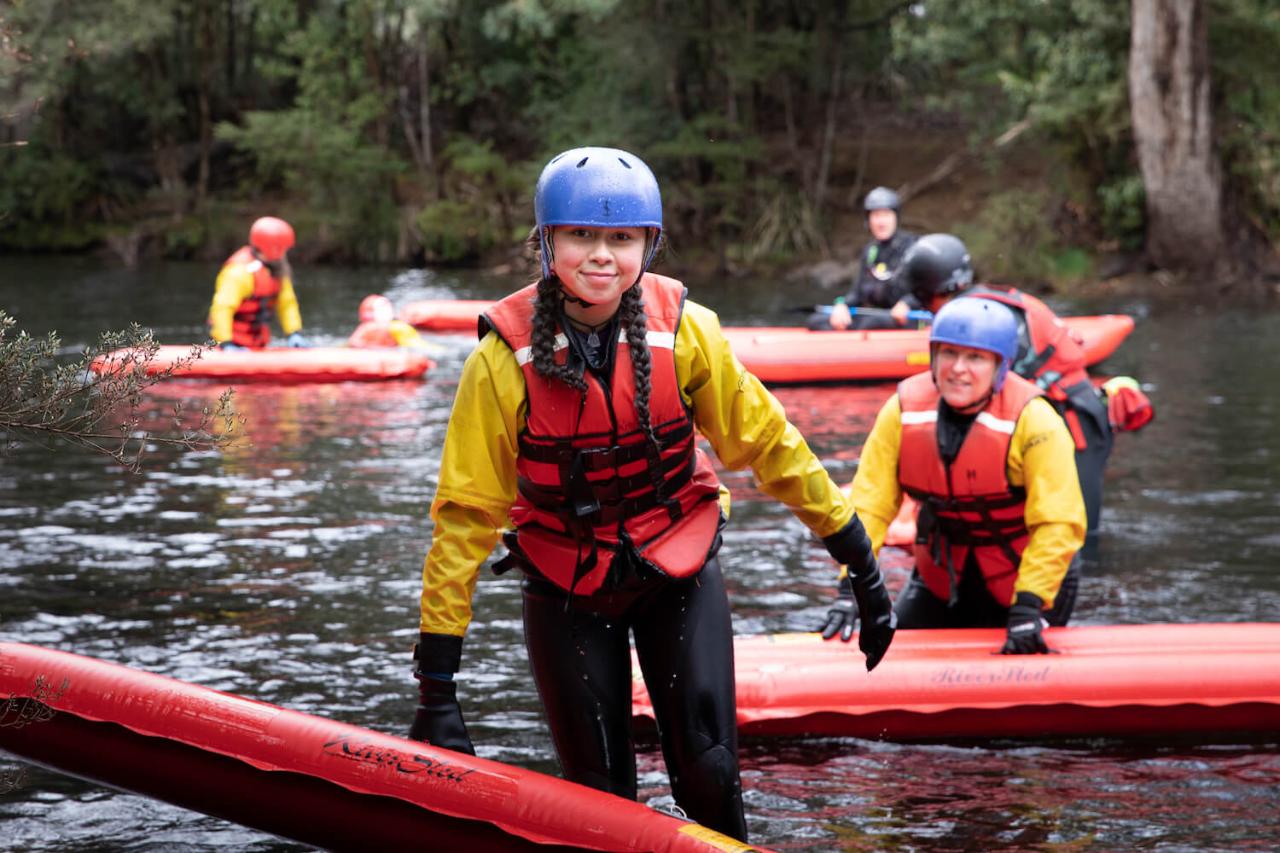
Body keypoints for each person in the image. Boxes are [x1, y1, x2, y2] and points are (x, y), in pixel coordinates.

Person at [407, 146, 896, 843]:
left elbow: (770, 447)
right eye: (580, 235)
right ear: (546, 243)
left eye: (621, 238)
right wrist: (438, 685)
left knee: (709, 768)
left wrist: (864, 567)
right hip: (568, 585)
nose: (601, 254)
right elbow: (465, 520)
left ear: (648, 244)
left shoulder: (690, 332)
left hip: (679, 566)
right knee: (599, 799)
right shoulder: (498, 364)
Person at [822, 297, 1087, 654]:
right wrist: (851, 588)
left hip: (1027, 583)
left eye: (975, 357)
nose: (958, 369)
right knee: (882, 649)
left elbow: (1058, 522)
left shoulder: (1035, 421)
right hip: (942, 577)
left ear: (1000, 365)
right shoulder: (901, 410)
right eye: (948, 354)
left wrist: (1029, 604)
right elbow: (869, 505)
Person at [896, 233, 1154, 557]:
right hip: (1053, 417)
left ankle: (1086, 597)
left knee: (1078, 538)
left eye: (922, 299)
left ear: (929, 291)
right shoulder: (979, 305)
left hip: (1077, 424)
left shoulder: (989, 315)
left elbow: (999, 395)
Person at [808, 186, 917, 331]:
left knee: (871, 323)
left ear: (895, 217)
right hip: (875, 317)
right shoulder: (870, 251)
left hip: (904, 318)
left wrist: (907, 303)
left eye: (886, 214)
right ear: (869, 220)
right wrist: (842, 305)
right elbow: (856, 294)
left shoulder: (913, 246)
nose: (881, 222)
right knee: (816, 321)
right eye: (876, 215)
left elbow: (927, 289)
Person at [208, 216, 308, 350]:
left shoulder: (278, 270)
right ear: (274, 248)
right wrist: (226, 343)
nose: (285, 253)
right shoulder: (239, 272)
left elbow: (287, 304)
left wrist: (294, 333)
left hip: (258, 346)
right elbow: (222, 308)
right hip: (230, 346)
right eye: (284, 248)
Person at [347, 294, 428, 349]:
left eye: (387, 306)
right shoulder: (367, 328)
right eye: (382, 307)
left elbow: (418, 346)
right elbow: (353, 343)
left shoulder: (398, 327)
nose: (387, 309)